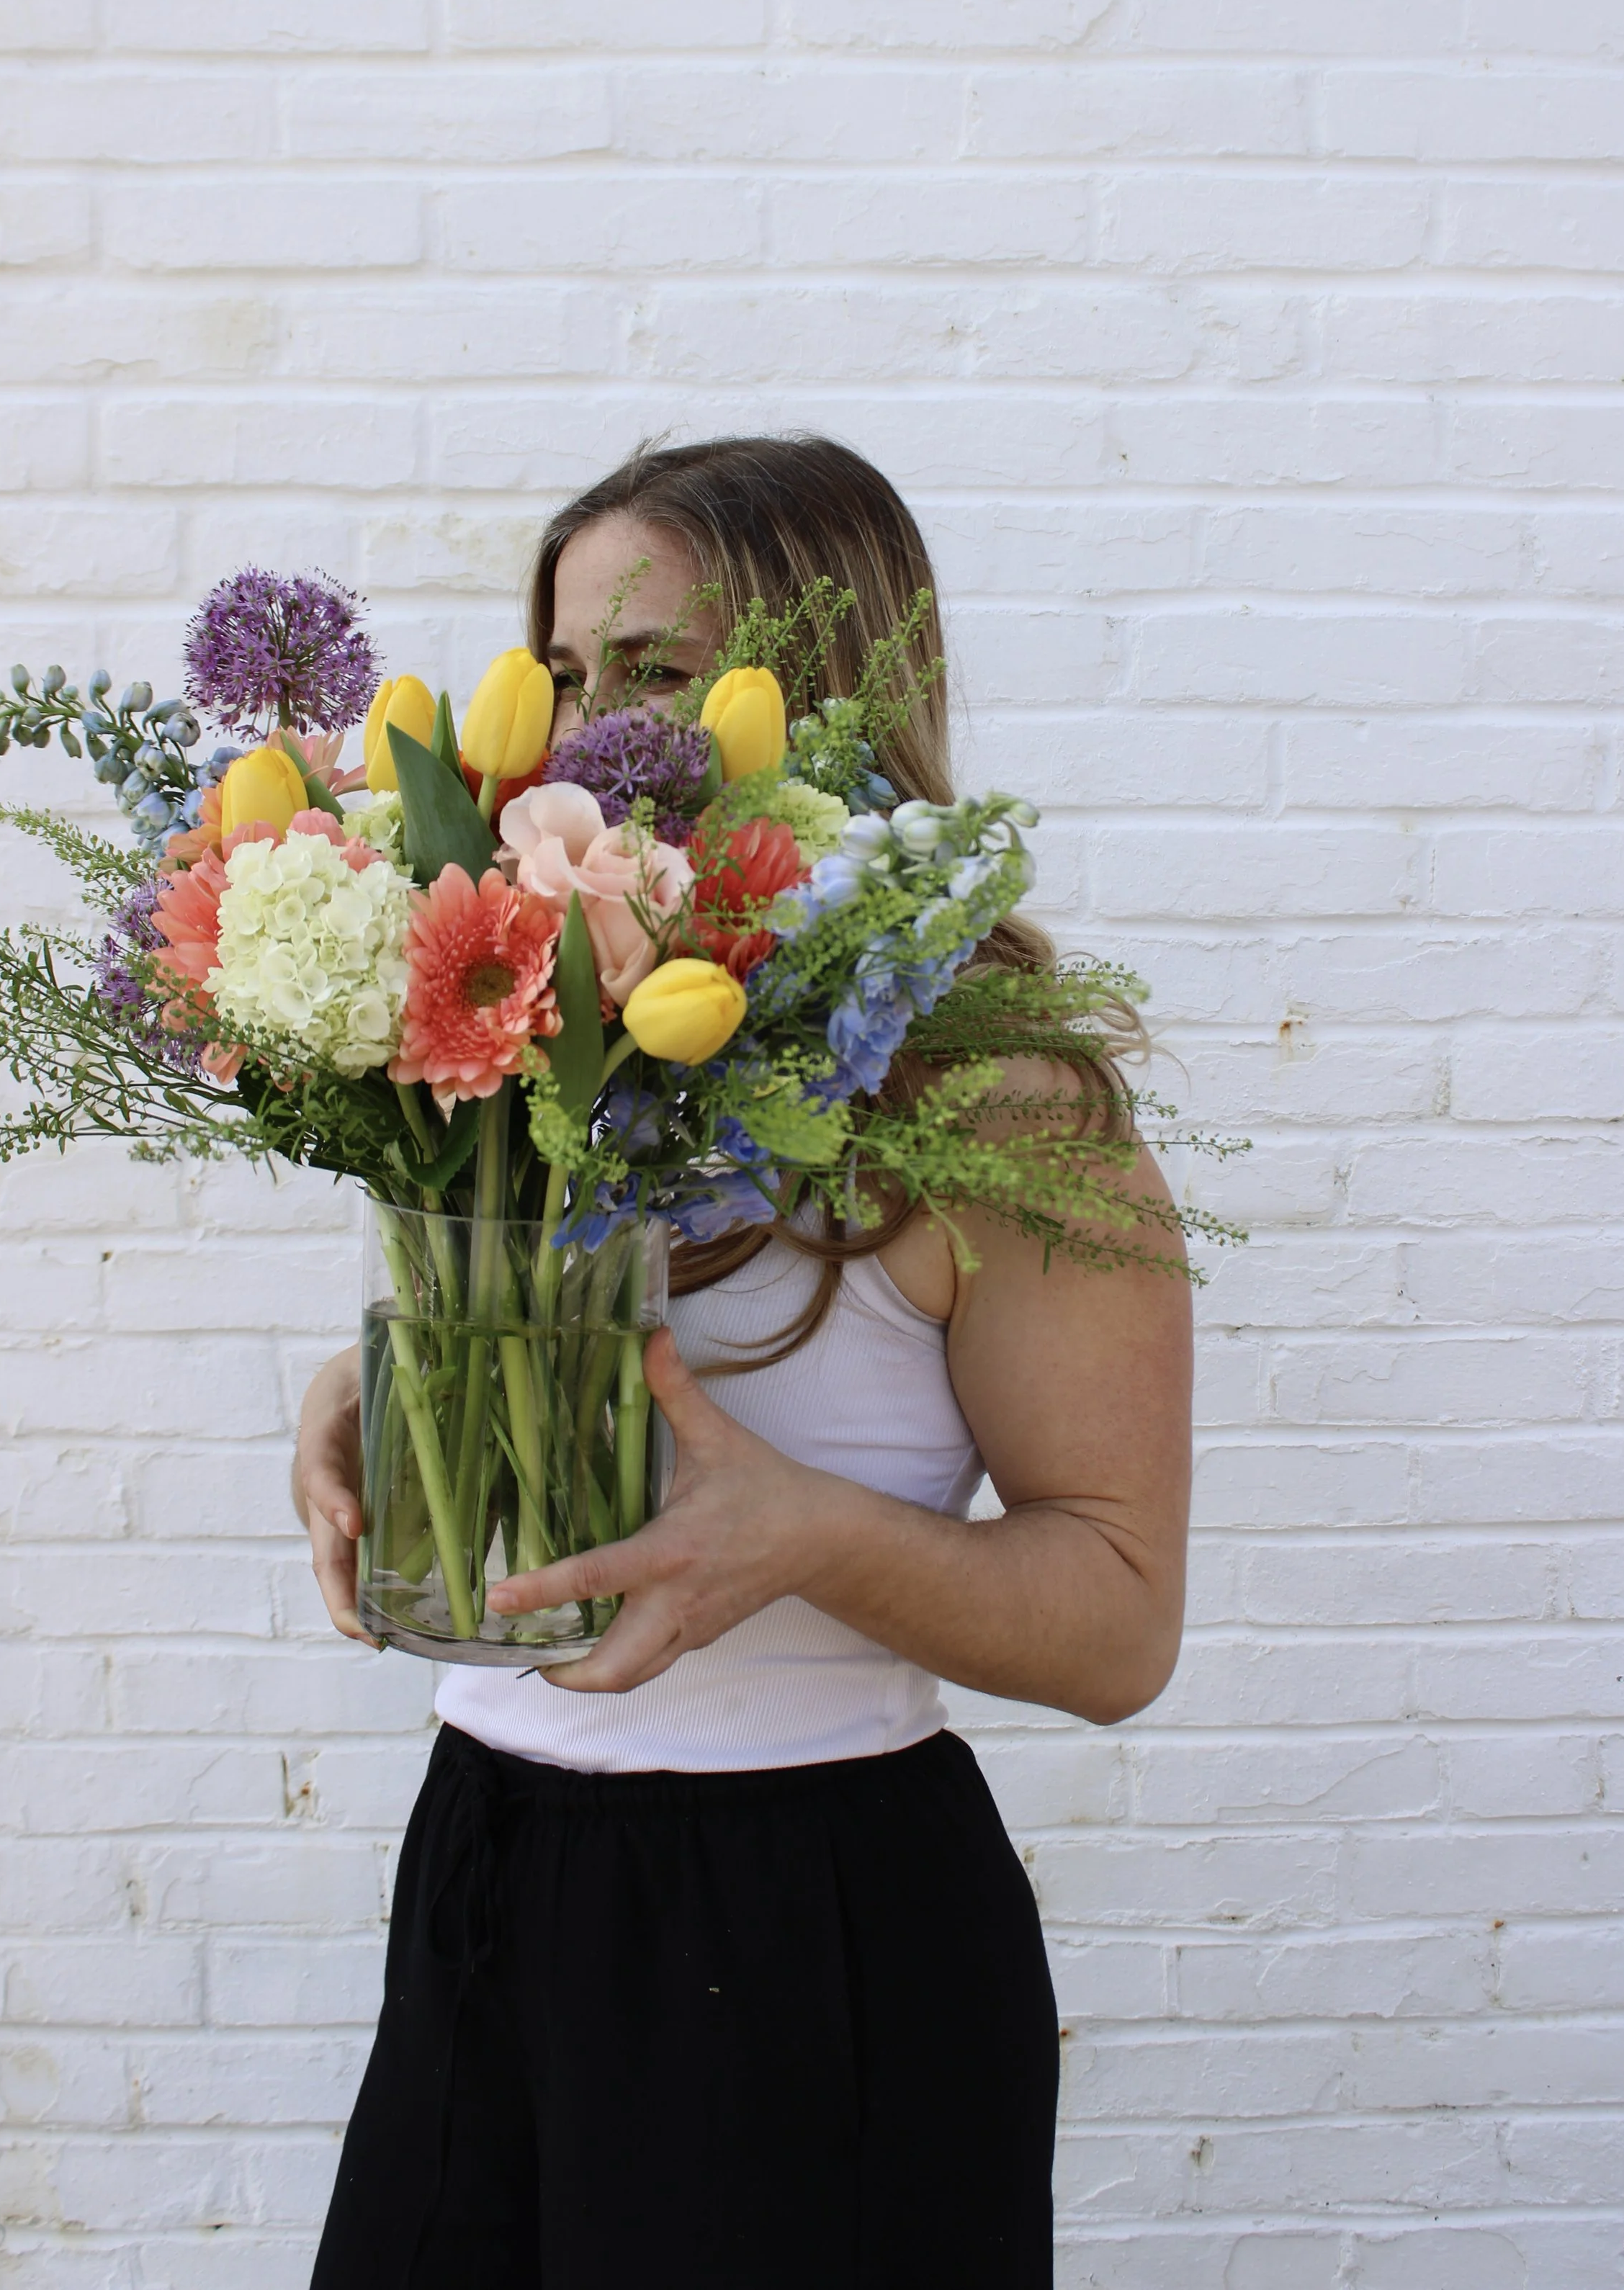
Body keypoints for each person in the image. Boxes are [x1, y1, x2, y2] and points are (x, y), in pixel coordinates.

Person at [295, 436, 1193, 2290]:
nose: (590, 730)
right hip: (484, 1867)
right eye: (570, 670)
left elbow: (1117, 1625)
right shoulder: (543, 1022)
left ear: (825, 689)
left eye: (660, 672)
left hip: (814, 1926)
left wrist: (792, 1533)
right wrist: (393, 1384)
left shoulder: (1002, 1102)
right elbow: (577, 1361)